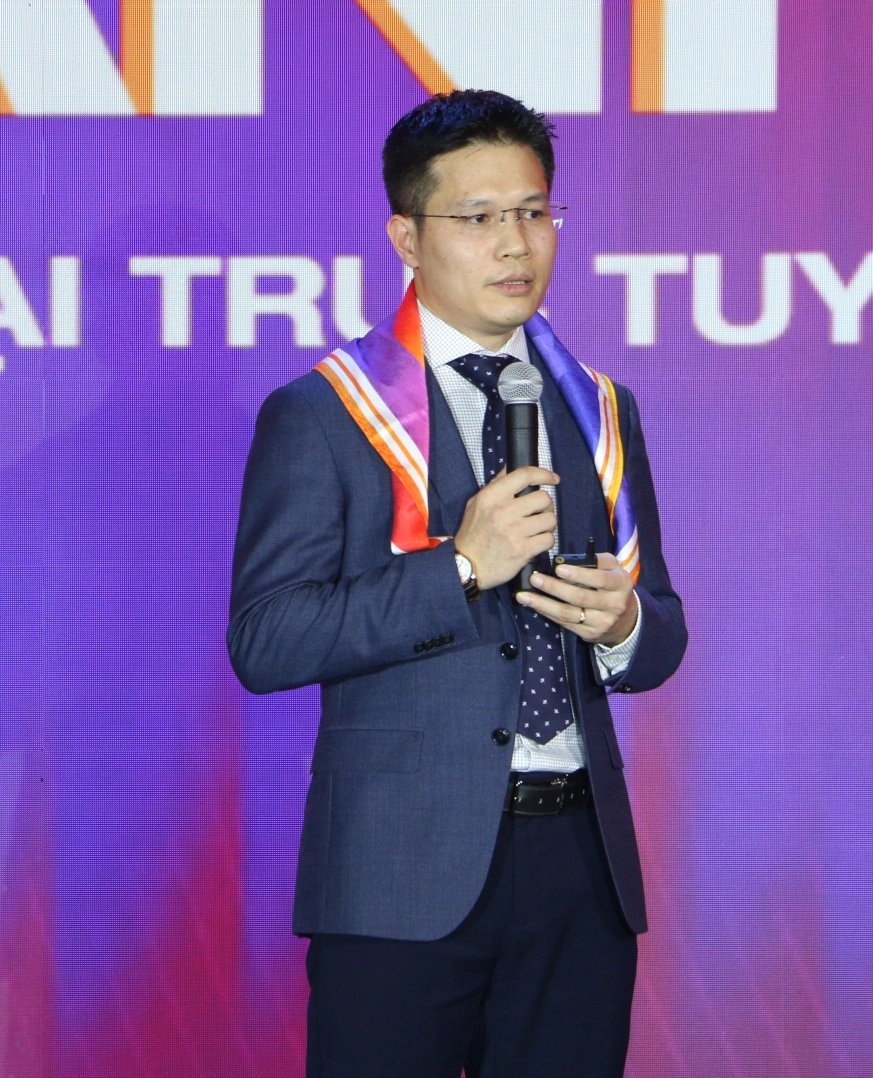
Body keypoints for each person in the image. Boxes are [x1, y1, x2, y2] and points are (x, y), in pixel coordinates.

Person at [228, 90, 687, 1077]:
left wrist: (622, 626)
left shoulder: (599, 408)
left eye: (533, 211)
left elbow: (662, 632)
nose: (515, 244)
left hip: (579, 869)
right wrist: (463, 567)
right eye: (478, 218)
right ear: (407, 235)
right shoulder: (324, 413)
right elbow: (266, 640)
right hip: (398, 874)